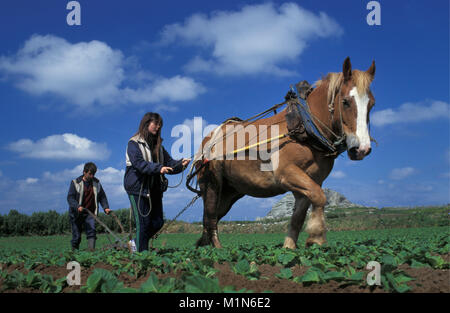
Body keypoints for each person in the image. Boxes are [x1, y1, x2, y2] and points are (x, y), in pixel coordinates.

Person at [124, 112, 190, 252]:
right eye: (156, 123)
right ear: (146, 123)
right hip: (138, 189)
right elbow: (139, 163)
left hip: (155, 189)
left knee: (158, 222)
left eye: (160, 125)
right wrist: (159, 168)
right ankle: (142, 255)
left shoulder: (159, 146)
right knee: (144, 224)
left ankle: (135, 244)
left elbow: (170, 163)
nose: (158, 127)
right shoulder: (134, 143)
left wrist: (182, 164)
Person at [67, 162, 111, 251]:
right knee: (77, 236)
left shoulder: (96, 183)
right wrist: (77, 206)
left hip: (89, 212)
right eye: (90, 174)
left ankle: (91, 252)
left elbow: (102, 196)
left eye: (93, 174)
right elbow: (70, 198)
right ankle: (74, 253)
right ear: (84, 172)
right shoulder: (76, 183)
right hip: (77, 213)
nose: (92, 176)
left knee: (92, 232)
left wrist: (105, 207)